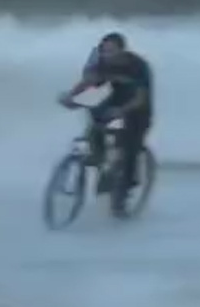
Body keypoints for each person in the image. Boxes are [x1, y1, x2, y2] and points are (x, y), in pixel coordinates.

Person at [59, 32, 154, 202]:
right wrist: (71, 97)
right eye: (104, 51)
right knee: (96, 123)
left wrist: (122, 110)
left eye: (112, 51)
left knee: (129, 145)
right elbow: (88, 82)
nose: (107, 55)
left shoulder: (137, 66)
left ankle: (124, 189)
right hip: (113, 97)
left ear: (122, 51)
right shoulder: (98, 60)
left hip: (137, 105)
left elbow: (140, 98)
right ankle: (101, 158)